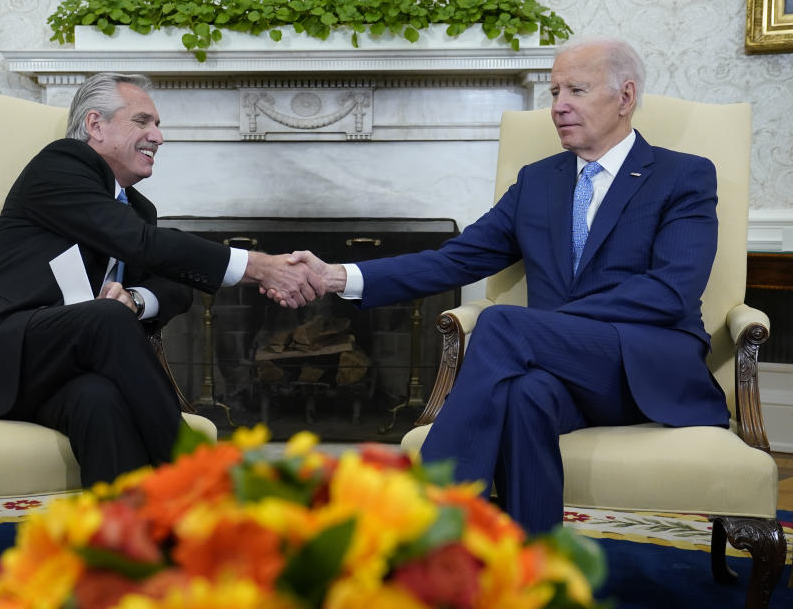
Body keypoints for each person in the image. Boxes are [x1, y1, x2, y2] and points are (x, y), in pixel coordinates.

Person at [283, 38, 730, 534]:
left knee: (501, 324)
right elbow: (456, 259)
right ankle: (526, 564)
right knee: (524, 395)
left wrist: (544, 326)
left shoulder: (681, 175)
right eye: (555, 90)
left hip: (642, 366)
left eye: (576, 90)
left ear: (625, 97)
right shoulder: (538, 181)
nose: (558, 105)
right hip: (555, 369)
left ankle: (422, 524)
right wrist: (336, 276)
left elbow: (671, 290)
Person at [0, 72, 323, 487]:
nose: (158, 137)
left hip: (57, 371)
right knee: (104, 318)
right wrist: (258, 266)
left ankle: (128, 539)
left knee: (98, 401)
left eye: (158, 125)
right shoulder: (60, 164)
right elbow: (141, 244)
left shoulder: (139, 210)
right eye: (143, 121)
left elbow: (175, 286)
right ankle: (202, 481)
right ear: (95, 125)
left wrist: (137, 300)